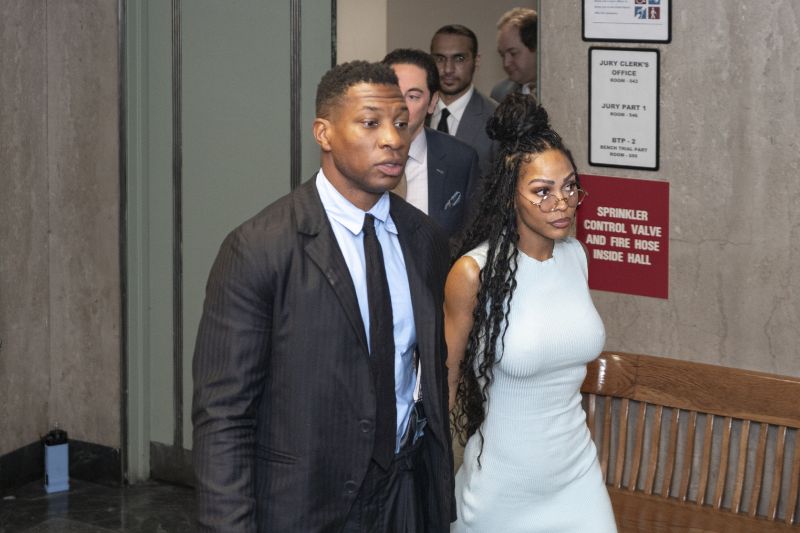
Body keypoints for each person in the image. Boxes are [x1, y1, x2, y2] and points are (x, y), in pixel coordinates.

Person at [192, 60, 455, 532]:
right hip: (305, 506)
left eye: (400, 123)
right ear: (324, 133)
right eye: (370, 123)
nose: (394, 139)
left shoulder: (425, 239)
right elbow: (224, 415)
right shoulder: (260, 248)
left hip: (404, 496)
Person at [444, 94, 617, 532]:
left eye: (570, 186)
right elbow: (444, 387)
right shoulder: (473, 274)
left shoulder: (575, 256)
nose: (561, 202)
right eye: (542, 191)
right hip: (503, 488)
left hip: (577, 475)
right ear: (509, 196)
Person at [382, 49, 481, 246]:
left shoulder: (460, 159)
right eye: (392, 93)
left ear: (432, 103)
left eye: (413, 96)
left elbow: (471, 238)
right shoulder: (355, 155)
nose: (400, 106)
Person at [430, 24, 498, 179]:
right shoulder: (415, 112)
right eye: (440, 59)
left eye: (459, 59)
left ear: (476, 61)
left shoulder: (496, 119)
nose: (448, 69)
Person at [492, 7, 538, 102]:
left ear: (536, 47)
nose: (506, 63)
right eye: (502, 55)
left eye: (513, 53)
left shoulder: (567, 88)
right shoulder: (499, 94)